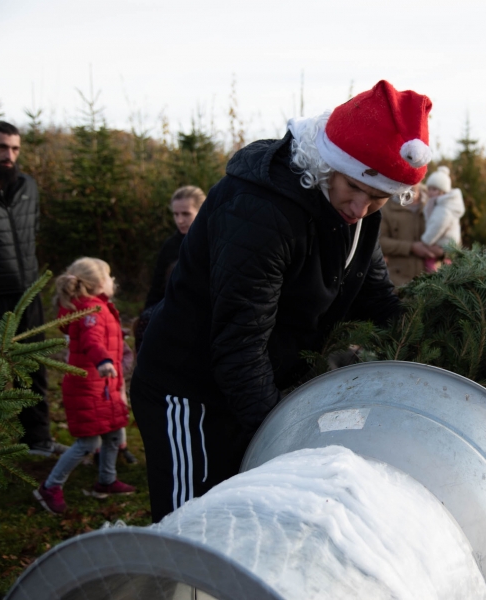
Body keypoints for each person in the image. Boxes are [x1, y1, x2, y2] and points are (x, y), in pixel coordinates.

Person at [132, 80, 431, 521]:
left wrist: (437, 336)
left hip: (256, 387)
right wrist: (282, 439)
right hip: (190, 389)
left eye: (379, 197)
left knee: (240, 519)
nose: (360, 206)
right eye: (353, 186)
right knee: (190, 525)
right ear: (327, 163)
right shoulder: (260, 212)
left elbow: (377, 297)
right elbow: (240, 343)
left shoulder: (360, 217)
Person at [0, 121, 65, 457]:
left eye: (15, 149)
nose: (9, 155)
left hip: (26, 294)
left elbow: (30, 233)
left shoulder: (27, 186)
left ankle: (38, 439)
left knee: (32, 368)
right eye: (3, 147)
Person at [33, 258, 135, 515]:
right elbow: (91, 339)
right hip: (89, 386)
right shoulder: (92, 310)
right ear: (97, 284)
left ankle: (107, 480)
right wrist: (102, 360)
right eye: (109, 277)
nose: (113, 282)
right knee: (88, 443)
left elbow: (97, 334)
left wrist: (117, 335)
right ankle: (49, 487)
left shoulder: (95, 307)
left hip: (103, 386)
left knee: (112, 433)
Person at [134, 185, 206, 352]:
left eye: (186, 214)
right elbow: (157, 285)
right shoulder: (171, 246)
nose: (180, 220)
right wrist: (147, 318)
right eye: (176, 214)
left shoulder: (213, 241)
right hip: (171, 313)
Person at [379, 183, 435, 286]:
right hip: (399, 285)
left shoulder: (434, 202)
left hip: (433, 284)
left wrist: (441, 252)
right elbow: (380, 242)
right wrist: (411, 247)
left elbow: (453, 240)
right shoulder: (386, 207)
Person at [421, 165, 465, 272]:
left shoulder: (443, 208)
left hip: (443, 243)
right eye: (429, 189)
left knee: (429, 262)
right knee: (443, 263)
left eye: (434, 189)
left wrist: (425, 241)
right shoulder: (439, 203)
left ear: (443, 191)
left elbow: (437, 225)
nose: (431, 192)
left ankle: (434, 276)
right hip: (445, 243)